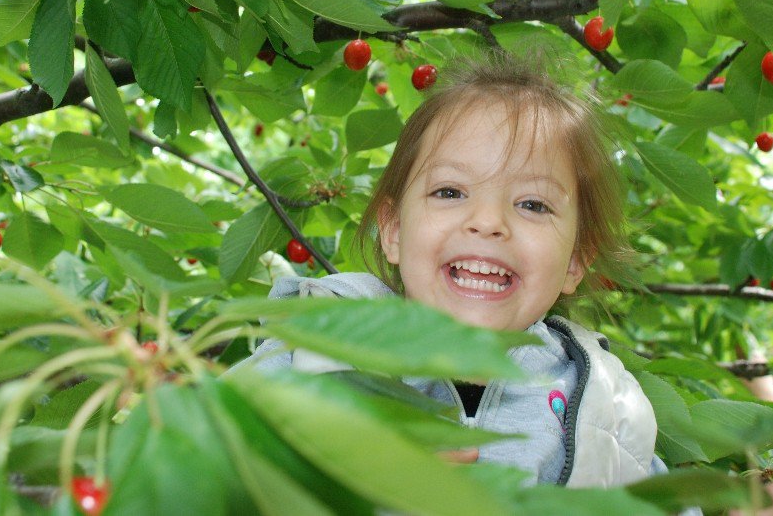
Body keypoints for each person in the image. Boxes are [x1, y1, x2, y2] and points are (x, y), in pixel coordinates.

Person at [231, 51, 663, 488]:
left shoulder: (608, 409)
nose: (488, 221)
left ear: (574, 260)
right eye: (450, 192)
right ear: (394, 231)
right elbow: (207, 473)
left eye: (533, 204)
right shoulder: (312, 353)